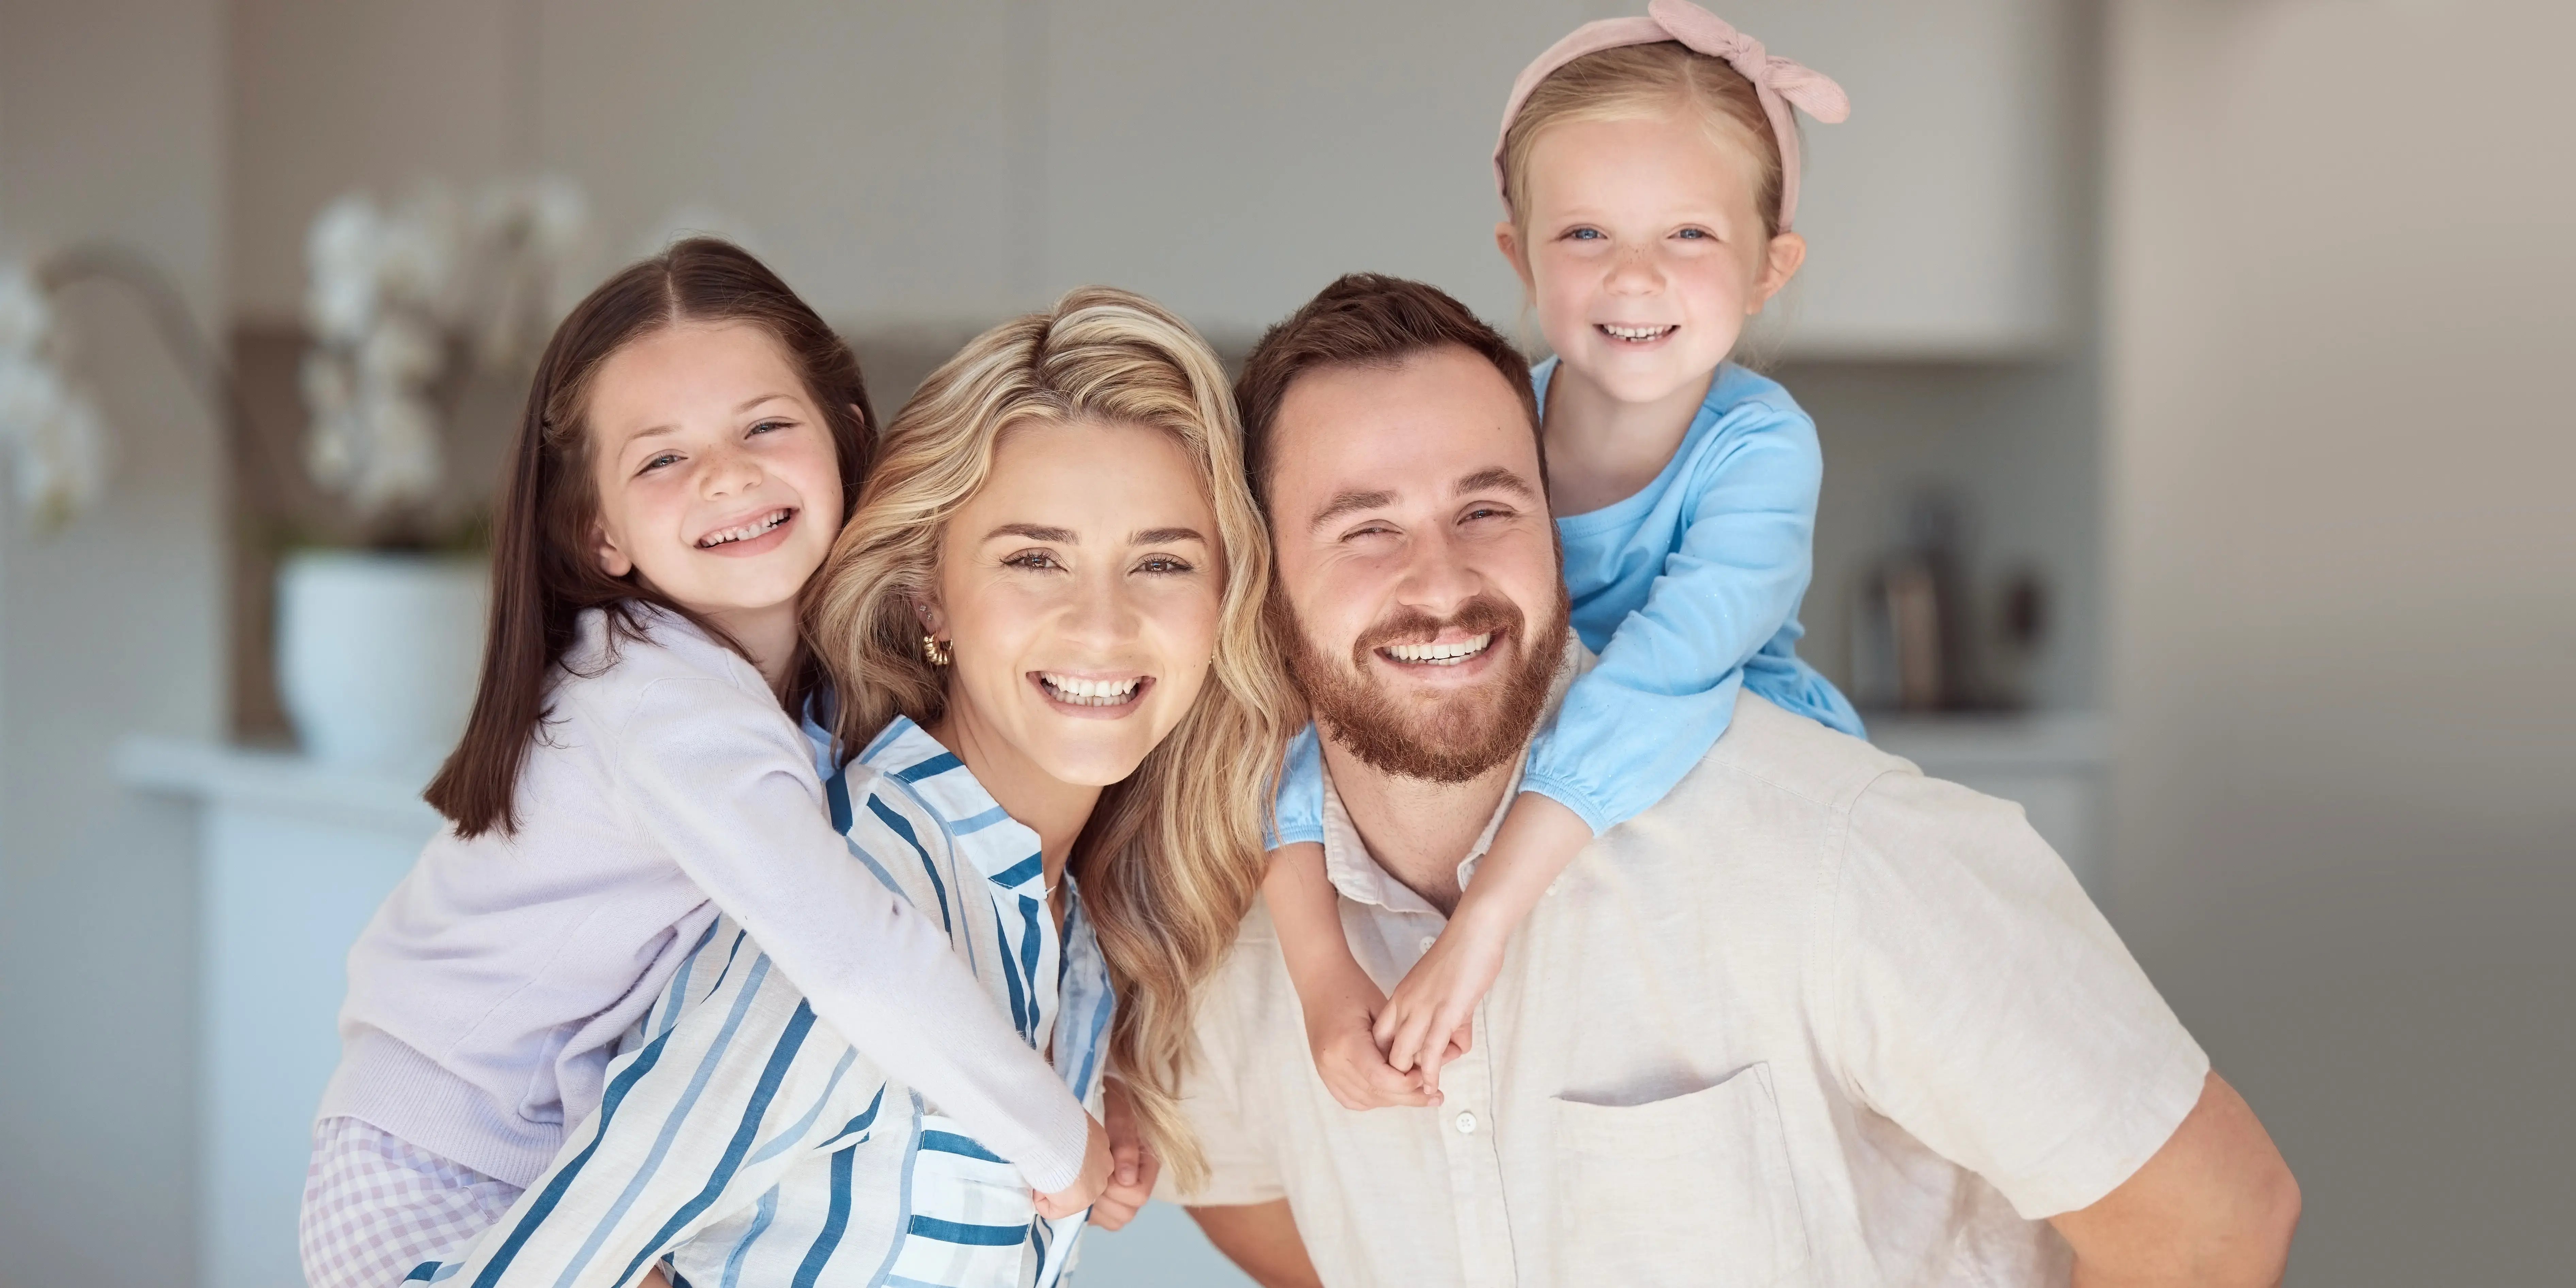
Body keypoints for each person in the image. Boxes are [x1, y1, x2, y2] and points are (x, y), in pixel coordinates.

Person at [1166, 273, 2302, 1286]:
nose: (1443, 581)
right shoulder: (1240, 916)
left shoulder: (1830, 847)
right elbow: (1238, 1185)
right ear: (1263, 586)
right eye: (1365, 529)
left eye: (1487, 509)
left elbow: (2209, 1223)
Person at [413, 287, 1297, 1285]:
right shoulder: (862, 894)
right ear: (930, 592)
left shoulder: (1072, 920)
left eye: (1164, 562)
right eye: (1034, 558)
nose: (1103, 624)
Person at [298, 242, 1115, 1288]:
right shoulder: (660, 704)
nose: (727, 475)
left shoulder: (795, 691)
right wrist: (1053, 1135)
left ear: (844, 437)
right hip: (438, 1178)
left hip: (545, 1158)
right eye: (661, 458)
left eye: (765, 425)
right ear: (601, 532)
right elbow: (854, 955)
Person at [1261, 0, 1870, 1106]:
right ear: (1519, 256)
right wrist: (1319, 976)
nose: (1633, 279)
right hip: (1524, 803)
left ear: (1770, 266)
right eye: (1585, 234)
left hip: (1711, 780)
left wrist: (1487, 910)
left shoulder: (1761, 449)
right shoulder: (1490, 440)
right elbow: (1297, 719)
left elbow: (1666, 682)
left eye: (1688, 234)